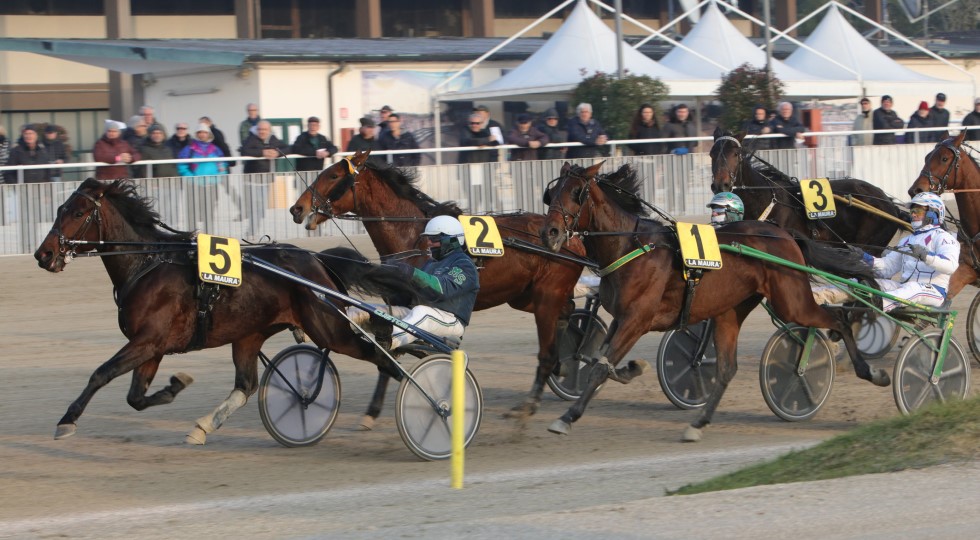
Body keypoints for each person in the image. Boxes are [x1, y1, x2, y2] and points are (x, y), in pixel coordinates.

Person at [347, 215, 480, 351]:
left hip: (450, 321)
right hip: (417, 314)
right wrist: (386, 281)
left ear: (452, 240)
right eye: (427, 238)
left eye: (433, 239)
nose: (428, 243)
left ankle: (389, 340)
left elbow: (443, 289)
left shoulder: (464, 265)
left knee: (423, 312)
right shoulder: (430, 264)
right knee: (367, 311)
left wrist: (411, 273)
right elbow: (411, 294)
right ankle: (339, 329)